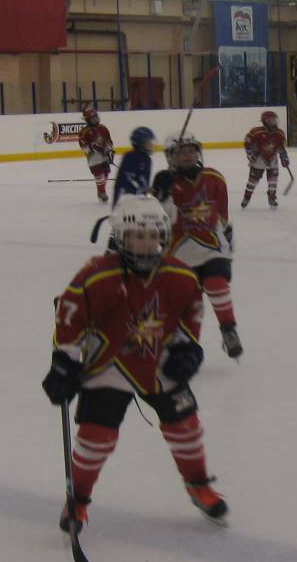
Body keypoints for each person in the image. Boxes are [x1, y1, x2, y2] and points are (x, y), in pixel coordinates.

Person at [40, 194, 227, 530]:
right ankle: (78, 501)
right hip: (109, 365)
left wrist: (187, 350)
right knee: (96, 437)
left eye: (152, 235)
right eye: (137, 236)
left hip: (159, 361)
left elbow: (189, 318)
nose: (145, 243)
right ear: (120, 237)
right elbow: (70, 320)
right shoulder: (96, 276)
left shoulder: (181, 276)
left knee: (185, 427)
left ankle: (198, 485)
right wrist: (64, 363)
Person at [152, 132, 242, 359]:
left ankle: (229, 330)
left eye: (191, 150)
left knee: (216, 281)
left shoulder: (214, 178)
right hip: (179, 252)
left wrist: (228, 242)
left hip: (212, 247)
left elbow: (222, 216)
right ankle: (187, 346)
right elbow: (163, 221)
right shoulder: (166, 182)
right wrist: (161, 195)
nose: (187, 155)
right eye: (181, 152)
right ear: (170, 156)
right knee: (188, 304)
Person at [240, 110, 290, 209]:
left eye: (274, 120)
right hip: (259, 160)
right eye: (270, 120)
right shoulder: (256, 132)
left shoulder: (279, 133)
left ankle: (272, 198)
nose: (273, 122)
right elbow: (247, 143)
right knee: (252, 181)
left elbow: (280, 147)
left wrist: (284, 156)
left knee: (273, 181)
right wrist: (250, 154)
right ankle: (247, 197)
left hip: (272, 160)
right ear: (265, 121)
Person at [111, 126, 157, 207]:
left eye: (151, 142)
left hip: (139, 201)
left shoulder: (147, 159)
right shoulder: (131, 156)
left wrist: (147, 191)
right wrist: (141, 190)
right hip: (125, 202)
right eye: (148, 142)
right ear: (139, 142)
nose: (151, 145)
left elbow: (143, 180)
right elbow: (127, 179)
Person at [78, 106, 116, 204]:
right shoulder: (84, 132)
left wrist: (110, 151)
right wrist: (92, 147)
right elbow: (83, 146)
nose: (95, 120)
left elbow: (109, 141)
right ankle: (101, 191)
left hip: (104, 156)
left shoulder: (103, 128)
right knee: (99, 174)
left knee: (106, 172)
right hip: (93, 158)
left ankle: (101, 189)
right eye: (93, 118)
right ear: (87, 120)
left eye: (96, 117)